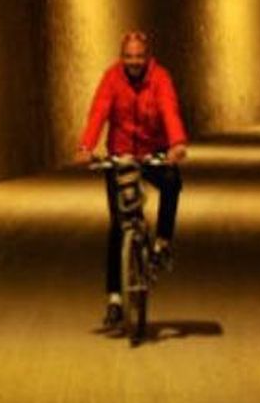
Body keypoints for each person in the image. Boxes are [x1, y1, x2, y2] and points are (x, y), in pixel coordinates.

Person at [74, 30, 188, 329]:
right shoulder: (112, 78)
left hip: (152, 151)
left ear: (147, 57)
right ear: (121, 57)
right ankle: (114, 298)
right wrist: (86, 146)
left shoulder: (160, 78)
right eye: (129, 56)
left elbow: (169, 110)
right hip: (121, 155)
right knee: (118, 225)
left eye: (139, 57)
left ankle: (162, 242)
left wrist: (176, 143)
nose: (134, 62)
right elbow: (99, 111)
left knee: (172, 182)